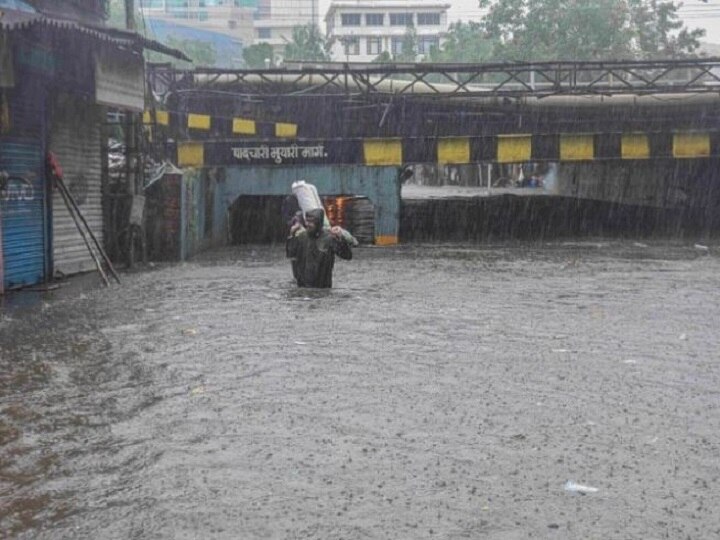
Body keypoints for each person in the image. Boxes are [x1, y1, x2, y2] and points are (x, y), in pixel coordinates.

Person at [286, 208, 352, 288]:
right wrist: (292, 235)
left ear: (318, 223)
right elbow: (290, 254)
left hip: (323, 288)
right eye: (307, 221)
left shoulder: (329, 239)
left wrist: (341, 239)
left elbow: (347, 255)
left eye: (311, 222)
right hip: (303, 288)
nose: (307, 224)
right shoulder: (301, 237)